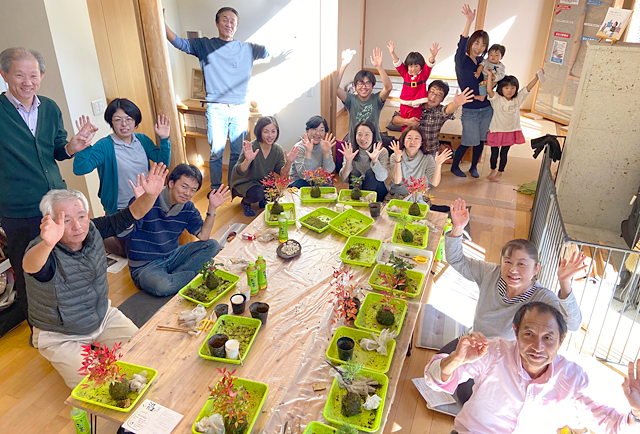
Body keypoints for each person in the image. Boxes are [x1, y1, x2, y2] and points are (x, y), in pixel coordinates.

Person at [22, 163, 168, 388]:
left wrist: (151, 195)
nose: (77, 226)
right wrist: (47, 243)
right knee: (99, 387)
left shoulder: (92, 229)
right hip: (62, 335)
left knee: (145, 355)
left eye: (81, 216)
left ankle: (99, 347)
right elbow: (31, 266)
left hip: (101, 317)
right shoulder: (43, 248)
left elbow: (131, 214)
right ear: (50, 222)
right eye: (66, 220)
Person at [441, 198, 585, 403]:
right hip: (476, 344)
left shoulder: (542, 298)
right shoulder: (490, 273)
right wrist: (457, 228)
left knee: (467, 397)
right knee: (441, 368)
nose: (513, 270)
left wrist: (565, 283)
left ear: (536, 269)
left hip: (505, 359)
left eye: (522, 264)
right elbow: (456, 260)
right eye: (507, 262)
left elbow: (573, 324)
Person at [0, 47, 98, 334]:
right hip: (17, 209)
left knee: (66, 262)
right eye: (20, 75)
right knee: (28, 268)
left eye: (33, 75)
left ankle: (74, 318)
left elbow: (57, 149)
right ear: (4, 74)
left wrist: (73, 147)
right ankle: (41, 331)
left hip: (56, 204)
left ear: (42, 76)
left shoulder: (50, 108)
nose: (27, 82)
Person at [425, 302, 640, 433]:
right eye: (529, 334)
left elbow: (612, 426)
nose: (538, 347)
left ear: (561, 340)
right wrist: (456, 360)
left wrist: (637, 411)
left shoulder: (572, 378)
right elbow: (433, 382)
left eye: (548, 337)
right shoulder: (492, 352)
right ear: (515, 331)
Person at [165, 7, 268, 190]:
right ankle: (215, 188)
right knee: (216, 153)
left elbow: (269, 50)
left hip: (240, 108)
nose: (229, 24)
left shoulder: (246, 48)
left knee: (237, 152)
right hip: (216, 107)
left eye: (232, 21)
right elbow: (180, 43)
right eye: (225, 20)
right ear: (217, 23)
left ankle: (233, 186)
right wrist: (162, 24)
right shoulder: (205, 45)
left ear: (236, 26)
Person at [121, 164, 230, 296]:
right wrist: (138, 205)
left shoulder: (187, 207)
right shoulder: (147, 198)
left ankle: (178, 277)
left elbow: (204, 236)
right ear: (171, 183)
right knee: (162, 285)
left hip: (172, 256)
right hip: (145, 266)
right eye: (184, 187)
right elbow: (123, 233)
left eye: (193, 190)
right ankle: (195, 276)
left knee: (213, 245)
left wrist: (212, 208)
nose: (187, 193)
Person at [73, 98, 172, 215]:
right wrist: (84, 146)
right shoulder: (104, 146)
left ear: (136, 122)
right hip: (120, 210)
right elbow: (80, 169)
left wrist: (164, 139)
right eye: (118, 120)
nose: (124, 124)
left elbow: (162, 163)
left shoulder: (142, 140)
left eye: (129, 119)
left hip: (147, 203)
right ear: (111, 122)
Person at [450, 4, 492, 178]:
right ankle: (454, 166)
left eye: (483, 45)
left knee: (481, 139)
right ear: (471, 43)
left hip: (486, 107)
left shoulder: (483, 62)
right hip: (470, 107)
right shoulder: (461, 60)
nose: (479, 47)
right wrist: (468, 22)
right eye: (476, 43)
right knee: (468, 140)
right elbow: (461, 45)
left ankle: (474, 167)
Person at [231, 116, 298, 216]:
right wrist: (247, 160)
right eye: (266, 131)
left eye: (273, 131)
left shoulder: (277, 149)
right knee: (257, 193)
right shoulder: (252, 146)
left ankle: (262, 198)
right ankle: (246, 202)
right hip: (245, 181)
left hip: (262, 182)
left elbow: (282, 173)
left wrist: (289, 162)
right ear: (259, 132)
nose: (270, 135)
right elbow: (239, 171)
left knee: (273, 195)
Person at [485, 70, 541, 182]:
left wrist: (536, 78)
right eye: (506, 88)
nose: (509, 90)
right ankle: (492, 170)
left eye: (512, 88)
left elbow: (527, 89)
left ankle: (500, 172)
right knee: (494, 153)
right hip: (496, 130)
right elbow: (489, 90)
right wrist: (490, 76)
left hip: (510, 131)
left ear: (516, 89)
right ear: (501, 88)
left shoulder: (517, 99)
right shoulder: (496, 99)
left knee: (504, 153)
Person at [391, 80, 474, 155]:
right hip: (408, 151)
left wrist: (456, 104)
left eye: (439, 95)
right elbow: (395, 120)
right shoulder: (415, 105)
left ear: (442, 99)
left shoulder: (440, 111)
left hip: (429, 152)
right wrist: (406, 121)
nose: (433, 97)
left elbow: (448, 110)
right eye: (432, 92)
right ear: (427, 92)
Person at [336, 48, 393, 147]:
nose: (364, 87)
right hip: (354, 143)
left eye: (367, 83)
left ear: (372, 86)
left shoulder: (377, 99)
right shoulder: (351, 100)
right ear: (355, 86)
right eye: (360, 83)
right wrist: (343, 65)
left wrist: (379, 67)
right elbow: (334, 88)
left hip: (374, 143)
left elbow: (388, 88)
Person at [387, 40, 440, 128]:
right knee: (405, 125)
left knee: (414, 124)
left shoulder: (423, 76)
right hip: (404, 104)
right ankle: (404, 140)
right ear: (407, 66)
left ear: (420, 67)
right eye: (411, 66)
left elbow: (429, 65)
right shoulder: (406, 75)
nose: (413, 69)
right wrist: (392, 53)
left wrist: (433, 55)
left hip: (416, 105)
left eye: (416, 66)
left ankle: (414, 139)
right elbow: (398, 64)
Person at [388, 127, 452, 200]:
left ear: (422, 142)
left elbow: (434, 183)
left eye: (417, 138)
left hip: (417, 196)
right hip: (397, 194)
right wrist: (398, 159)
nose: (412, 142)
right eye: (409, 138)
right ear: (403, 141)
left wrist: (438, 165)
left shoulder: (427, 158)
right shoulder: (395, 156)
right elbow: (397, 180)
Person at [338, 120, 389, 202]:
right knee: (355, 173)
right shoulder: (350, 151)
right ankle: (357, 204)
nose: (363, 138)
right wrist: (348, 161)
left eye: (367, 135)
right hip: (357, 191)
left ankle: (365, 203)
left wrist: (375, 161)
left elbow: (382, 177)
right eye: (360, 134)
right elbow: (344, 178)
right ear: (355, 136)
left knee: (371, 173)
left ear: (373, 135)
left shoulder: (381, 151)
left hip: (376, 192)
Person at [289, 116, 336, 188]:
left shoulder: (325, 145)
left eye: (321, 130)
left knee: (329, 185)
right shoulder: (300, 147)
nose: (317, 133)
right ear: (307, 131)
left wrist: (326, 153)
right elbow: (304, 176)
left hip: (318, 181)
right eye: (314, 129)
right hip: (300, 182)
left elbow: (328, 171)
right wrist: (308, 152)